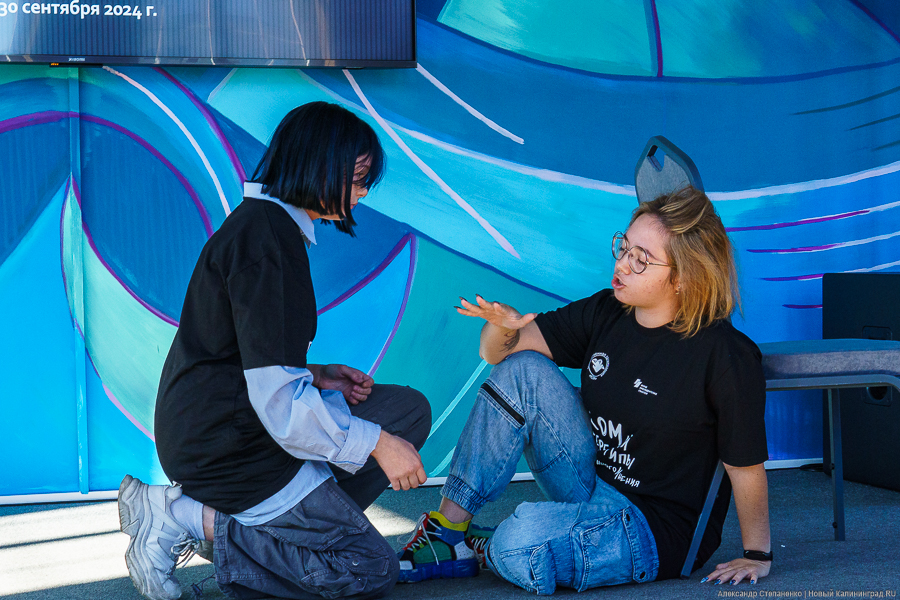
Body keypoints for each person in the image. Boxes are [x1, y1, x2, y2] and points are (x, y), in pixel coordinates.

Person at [118, 101, 432, 600]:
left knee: (408, 411)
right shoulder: (265, 241)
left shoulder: (268, 226)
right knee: (370, 570)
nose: (363, 192)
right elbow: (280, 405)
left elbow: (244, 353)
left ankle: (268, 540)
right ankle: (187, 519)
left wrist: (315, 373)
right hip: (228, 448)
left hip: (229, 422)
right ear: (317, 166)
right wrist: (376, 443)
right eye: (356, 178)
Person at [396, 185, 772, 592]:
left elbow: (745, 466)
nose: (622, 264)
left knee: (517, 540)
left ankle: (504, 545)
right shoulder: (607, 310)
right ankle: (449, 534)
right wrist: (504, 326)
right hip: (591, 481)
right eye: (624, 248)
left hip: (652, 528)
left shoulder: (725, 355)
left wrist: (757, 554)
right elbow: (498, 355)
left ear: (682, 278)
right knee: (524, 368)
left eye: (641, 259)